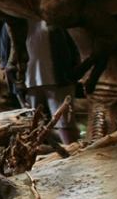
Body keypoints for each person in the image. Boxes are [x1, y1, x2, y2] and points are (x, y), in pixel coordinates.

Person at [23, 17, 81, 145]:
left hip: (59, 79)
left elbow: (74, 46)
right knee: (33, 124)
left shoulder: (56, 20)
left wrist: (73, 73)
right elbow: (7, 49)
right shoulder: (16, 22)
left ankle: (74, 154)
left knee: (65, 123)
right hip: (29, 81)